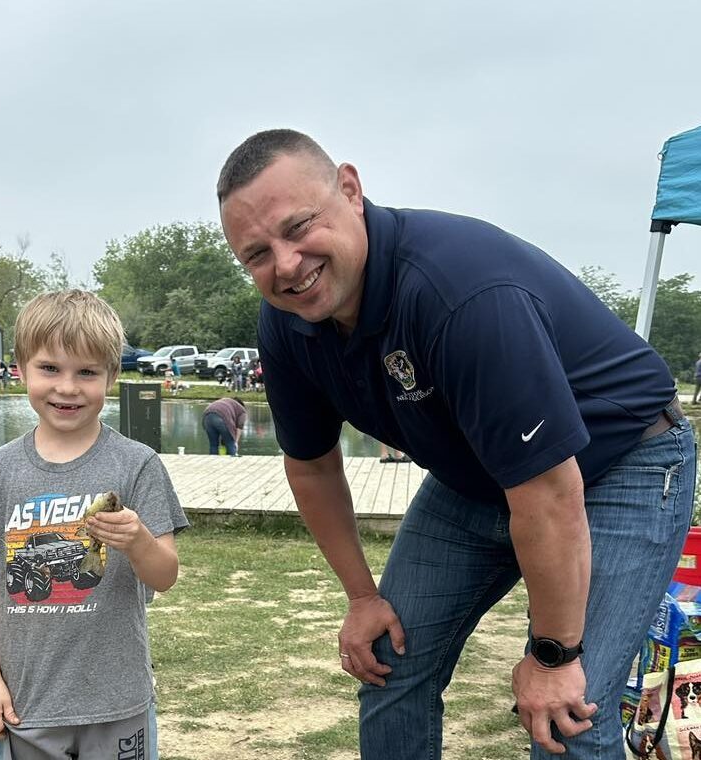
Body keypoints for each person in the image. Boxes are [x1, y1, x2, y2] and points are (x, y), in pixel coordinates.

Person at [216, 129, 695, 760]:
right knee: (390, 664)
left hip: (621, 461)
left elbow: (550, 494)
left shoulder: (461, 293)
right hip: (480, 476)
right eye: (255, 254)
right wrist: (363, 598)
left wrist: (552, 654)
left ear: (351, 191)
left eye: (299, 226)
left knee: (571, 714)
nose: (285, 265)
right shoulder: (288, 320)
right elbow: (309, 465)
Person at [0, 289, 188, 759]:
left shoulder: (137, 465)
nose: (67, 387)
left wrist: (137, 540)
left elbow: (165, 576)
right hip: (25, 705)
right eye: (50, 368)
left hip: (118, 701)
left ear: (111, 375)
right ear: (20, 367)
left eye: (86, 372)